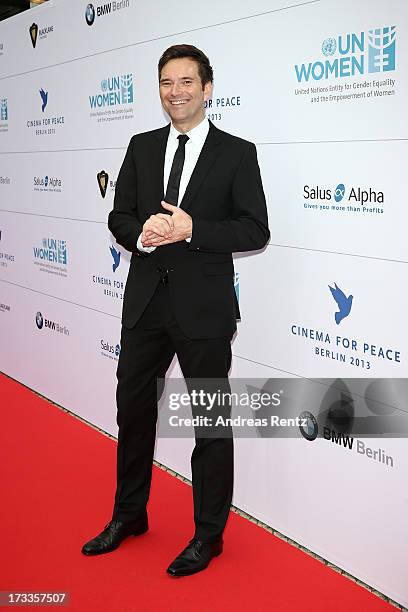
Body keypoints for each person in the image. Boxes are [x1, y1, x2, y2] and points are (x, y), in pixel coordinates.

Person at [81, 44, 269, 576]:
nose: (176, 91)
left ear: (207, 89)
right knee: (133, 413)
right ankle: (129, 515)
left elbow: (256, 229)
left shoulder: (237, 152)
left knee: (209, 422)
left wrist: (194, 230)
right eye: (167, 82)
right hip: (144, 305)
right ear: (159, 89)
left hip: (204, 310)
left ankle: (208, 536)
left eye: (187, 81)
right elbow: (118, 216)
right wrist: (139, 236)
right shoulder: (140, 147)